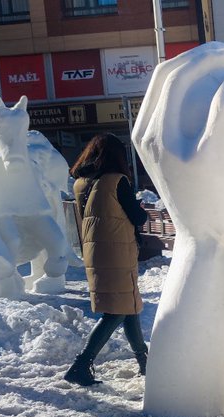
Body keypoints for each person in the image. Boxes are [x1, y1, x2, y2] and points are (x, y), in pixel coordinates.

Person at [64, 134, 150, 386]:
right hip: (117, 252)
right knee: (116, 311)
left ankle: (145, 362)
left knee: (128, 306)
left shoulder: (80, 183)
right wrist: (140, 209)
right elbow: (137, 217)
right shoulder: (116, 181)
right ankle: (82, 363)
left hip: (96, 251)